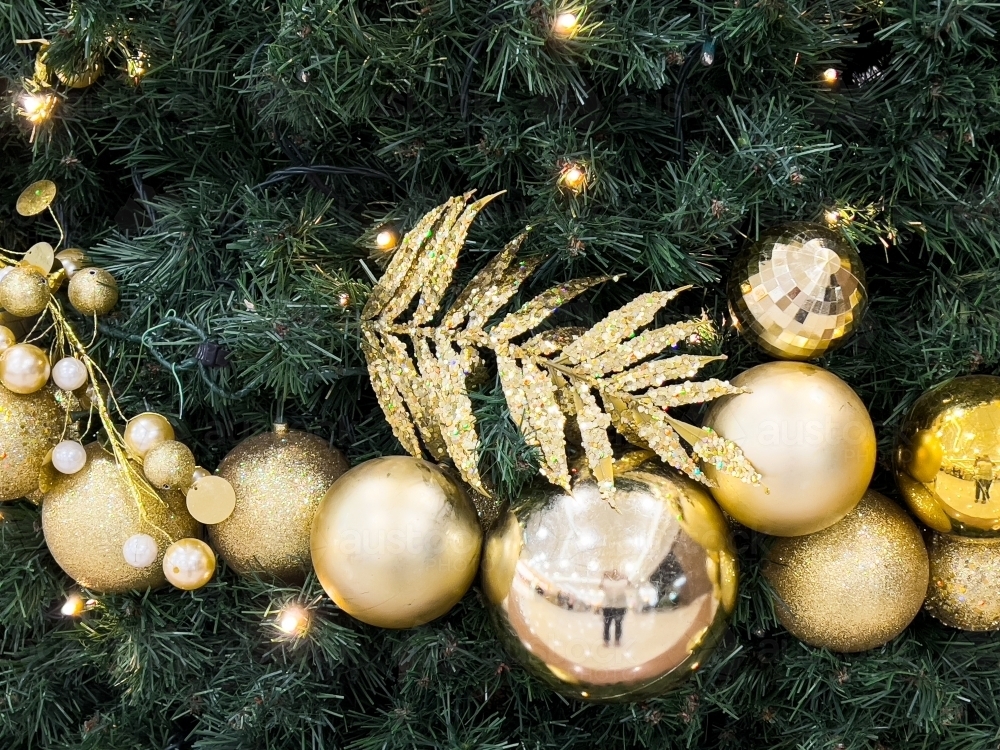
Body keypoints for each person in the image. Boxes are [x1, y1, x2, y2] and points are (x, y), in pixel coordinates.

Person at [600, 570, 628, 647]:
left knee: (609, 624)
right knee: (616, 624)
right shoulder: (622, 582)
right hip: (615, 606)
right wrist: (624, 577)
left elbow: (601, 586)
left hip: (612, 606)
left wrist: (604, 577)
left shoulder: (607, 582)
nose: (615, 575)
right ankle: (615, 641)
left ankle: (609, 641)